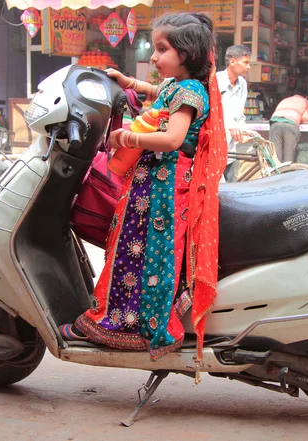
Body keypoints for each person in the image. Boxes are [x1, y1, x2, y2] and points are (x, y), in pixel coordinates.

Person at [59, 13, 227, 366]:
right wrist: (128, 83)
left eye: (161, 49)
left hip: (163, 192)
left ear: (187, 54)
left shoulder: (191, 91)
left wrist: (128, 136)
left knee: (142, 258)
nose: (154, 56)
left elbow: (172, 138)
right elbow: (159, 93)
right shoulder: (176, 86)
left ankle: (125, 326)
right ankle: (117, 318)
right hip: (149, 186)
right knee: (128, 252)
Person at [217, 45, 250, 182]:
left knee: (230, 188)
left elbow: (239, 114)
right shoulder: (216, 81)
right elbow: (212, 114)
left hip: (230, 148)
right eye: (245, 62)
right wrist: (230, 126)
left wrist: (244, 130)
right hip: (215, 147)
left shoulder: (242, 83)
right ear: (232, 61)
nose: (248, 67)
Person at [269, 92, 308, 163]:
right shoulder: (306, 102)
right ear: (306, 96)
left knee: (275, 156)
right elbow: (306, 118)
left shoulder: (286, 99)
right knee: (288, 157)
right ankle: (287, 173)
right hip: (291, 125)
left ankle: (276, 173)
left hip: (275, 123)